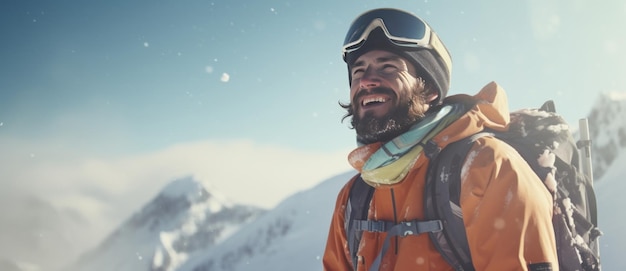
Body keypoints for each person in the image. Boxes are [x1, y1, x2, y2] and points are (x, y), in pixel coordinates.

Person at [323, 8, 558, 271]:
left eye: (388, 67)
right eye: (358, 71)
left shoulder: (485, 166)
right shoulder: (354, 198)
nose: (366, 80)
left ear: (430, 90)